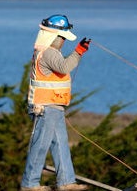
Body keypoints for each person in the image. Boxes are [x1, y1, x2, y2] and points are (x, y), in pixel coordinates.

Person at [20, 14, 91, 191]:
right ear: (53, 35)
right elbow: (65, 67)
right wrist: (79, 52)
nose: (63, 41)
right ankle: (30, 184)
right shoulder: (49, 53)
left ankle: (66, 181)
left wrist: (78, 52)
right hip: (45, 106)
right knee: (40, 145)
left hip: (53, 106)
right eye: (62, 37)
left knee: (60, 144)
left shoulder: (48, 52)